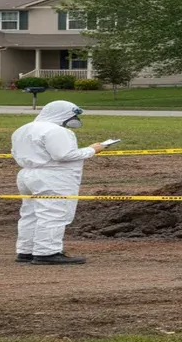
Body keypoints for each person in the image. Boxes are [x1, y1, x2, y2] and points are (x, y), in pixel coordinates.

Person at [11, 100, 110, 265]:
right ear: (64, 114)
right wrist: (93, 149)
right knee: (53, 213)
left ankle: (26, 250)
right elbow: (63, 155)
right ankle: (47, 252)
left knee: (30, 213)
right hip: (53, 176)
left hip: (27, 174)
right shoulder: (57, 131)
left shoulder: (22, 129)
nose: (74, 119)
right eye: (73, 115)